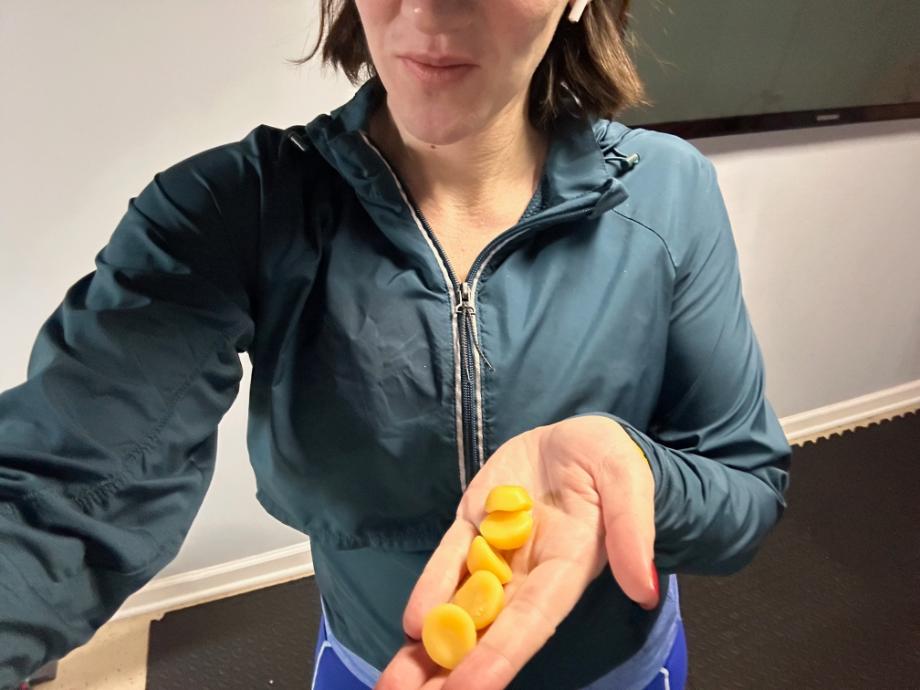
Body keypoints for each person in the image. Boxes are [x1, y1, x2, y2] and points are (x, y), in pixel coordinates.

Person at [0, 1, 792, 689]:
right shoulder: (231, 211)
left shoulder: (669, 193)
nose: (432, 9)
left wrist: (638, 475)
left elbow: (746, 487)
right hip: (368, 669)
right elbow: (59, 489)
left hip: (619, 674)